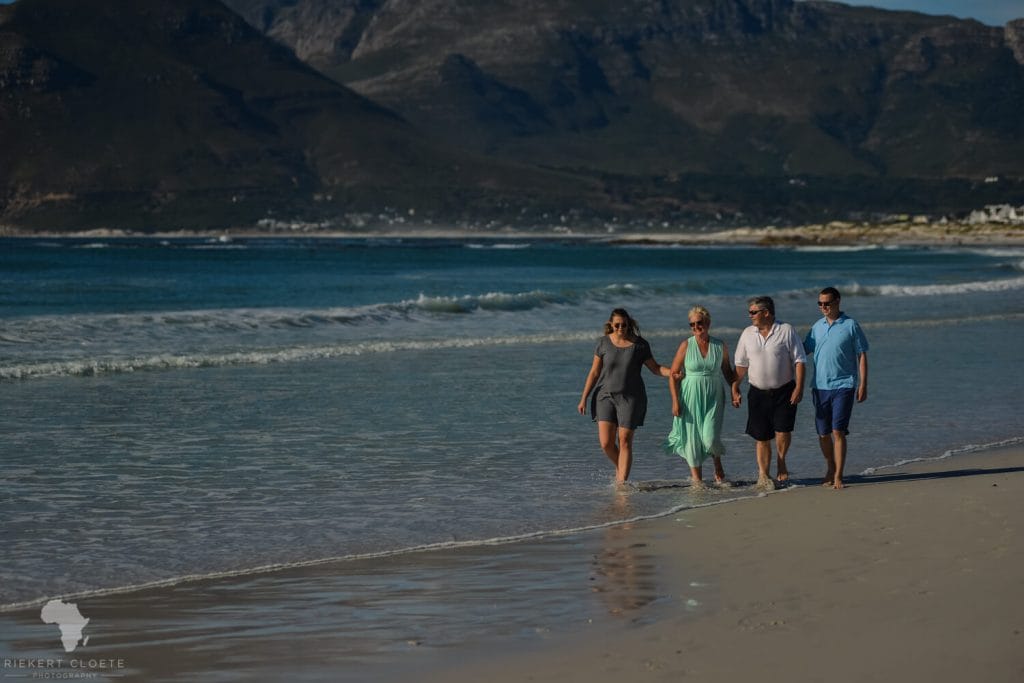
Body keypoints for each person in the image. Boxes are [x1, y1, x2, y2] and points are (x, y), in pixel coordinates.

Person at [578, 308, 673, 484]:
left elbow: (655, 368)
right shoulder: (603, 343)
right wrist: (584, 397)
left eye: (624, 324)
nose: (621, 328)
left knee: (625, 441)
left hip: (631, 398)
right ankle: (621, 467)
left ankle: (622, 486)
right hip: (604, 397)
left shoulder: (640, 345)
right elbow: (594, 372)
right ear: (611, 325)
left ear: (629, 324)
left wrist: (672, 373)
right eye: (617, 325)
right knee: (606, 443)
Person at [731, 296, 806, 490]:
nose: (750, 316)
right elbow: (741, 365)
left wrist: (799, 387)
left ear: (766, 312)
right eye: (750, 312)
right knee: (762, 436)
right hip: (757, 392)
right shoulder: (747, 334)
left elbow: (799, 360)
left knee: (783, 430)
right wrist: (734, 386)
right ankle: (764, 475)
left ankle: (781, 460)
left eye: (753, 312)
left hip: (784, 391)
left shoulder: (786, 330)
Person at [803, 287, 869, 490]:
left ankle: (839, 475)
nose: (823, 307)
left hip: (844, 385)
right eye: (820, 304)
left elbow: (862, 355)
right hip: (819, 386)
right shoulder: (817, 327)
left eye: (827, 303)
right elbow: (802, 351)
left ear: (837, 301)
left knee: (837, 431)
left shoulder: (850, 325)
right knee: (823, 433)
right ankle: (830, 466)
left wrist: (863, 384)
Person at [663, 306, 735, 488]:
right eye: (692, 324)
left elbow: (728, 373)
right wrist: (674, 401)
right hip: (689, 396)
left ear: (708, 323)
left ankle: (717, 462)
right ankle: (698, 482)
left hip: (714, 395)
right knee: (692, 439)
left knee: (710, 437)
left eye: (699, 323)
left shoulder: (720, 346)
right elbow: (673, 374)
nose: (696, 327)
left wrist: (736, 390)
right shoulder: (686, 345)